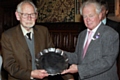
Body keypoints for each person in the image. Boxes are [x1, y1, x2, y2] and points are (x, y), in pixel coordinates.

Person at [1, 1, 74, 80]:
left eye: (32, 14)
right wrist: (31, 74)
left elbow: (53, 58)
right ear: (18, 16)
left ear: (36, 16)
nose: (29, 18)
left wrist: (68, 77)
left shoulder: (43, 31)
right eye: (25, 14)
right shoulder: (8, 36)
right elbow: (9, 65)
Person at [61, 0, 119, 80]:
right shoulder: (82, 34)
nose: (88, 19)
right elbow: (78, 57)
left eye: (91, 15)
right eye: (85, 16)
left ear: (100, 15)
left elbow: (107, 61)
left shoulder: (110, 33)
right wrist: (60, 54)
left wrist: (79, 69)